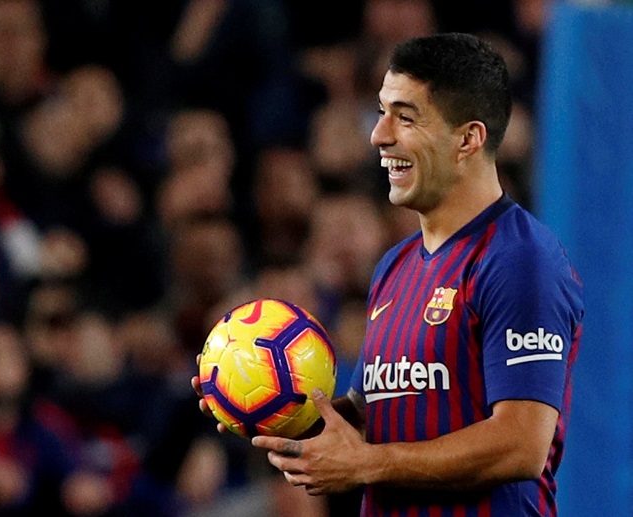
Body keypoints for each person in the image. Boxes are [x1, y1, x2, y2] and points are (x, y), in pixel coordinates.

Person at [192, 32, 584, 516]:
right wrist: (268, 408)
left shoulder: (520, 259)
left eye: (405, 117)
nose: (379, 135)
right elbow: (374, 418)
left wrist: (366, 465)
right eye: (381, 112)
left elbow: (521, 444)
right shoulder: (394, 266)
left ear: (468, 138)